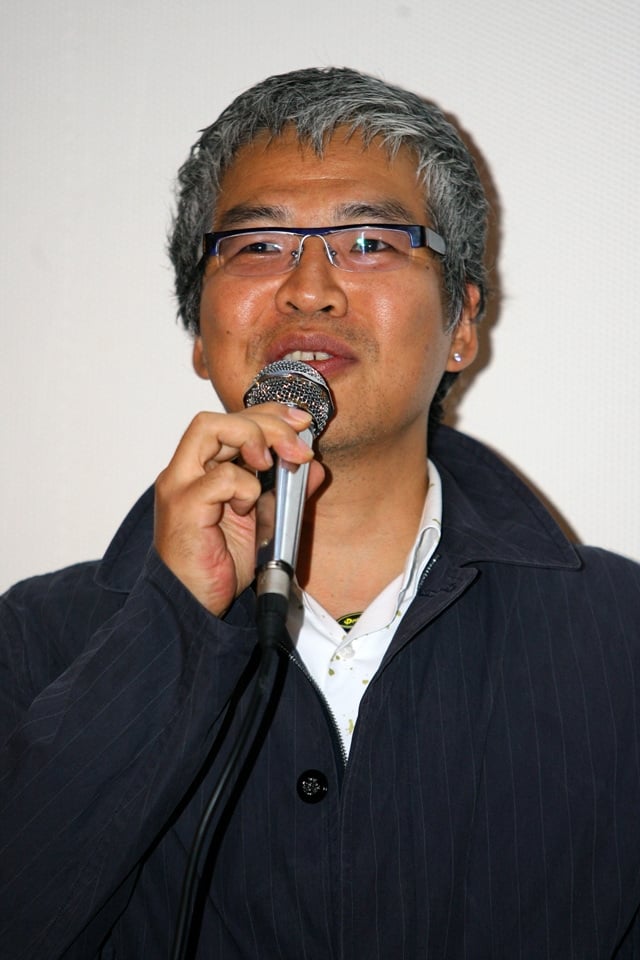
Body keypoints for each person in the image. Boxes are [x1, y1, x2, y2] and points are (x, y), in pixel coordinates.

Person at [1, 66, 639, 960]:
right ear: (199, 332)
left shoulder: (620, 638)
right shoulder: (35, 642)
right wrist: (169, 631)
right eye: (258, 245)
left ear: (462, 323)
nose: (309, 288)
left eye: (370, 241)